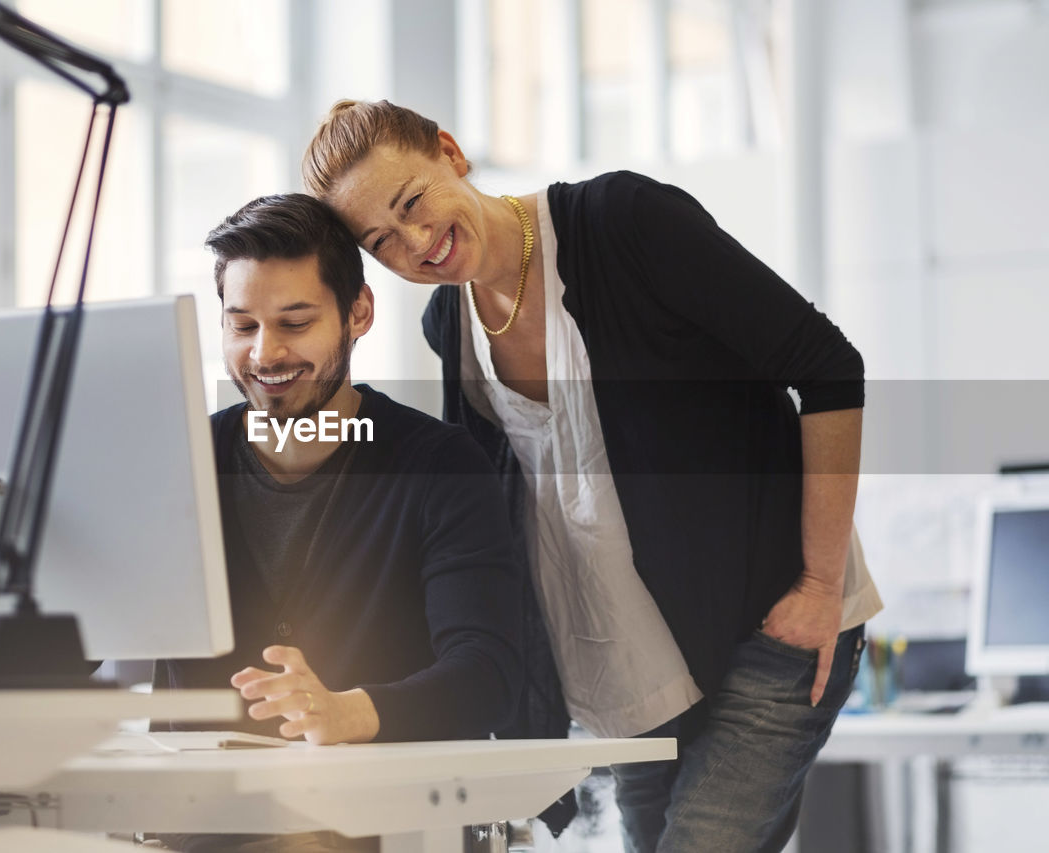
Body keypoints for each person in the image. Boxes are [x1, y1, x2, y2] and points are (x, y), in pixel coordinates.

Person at [301, 99, 883, 852]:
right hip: (632, 676)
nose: (416, 242)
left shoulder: (625, 223)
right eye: (381, 242)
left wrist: (819, 585)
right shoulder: (449, 327)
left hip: (768, 626)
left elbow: (830, 368)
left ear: (449, 151)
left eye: (412, 201)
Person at [151, 192, 523, 852]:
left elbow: (489, 674)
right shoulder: (176, 460)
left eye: (295, 323)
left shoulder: (439, 466)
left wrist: (348, 710)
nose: (265, 354)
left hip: (380, 826)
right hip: (200, 827)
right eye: (242, 326)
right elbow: (88, 626)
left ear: (359, 313)